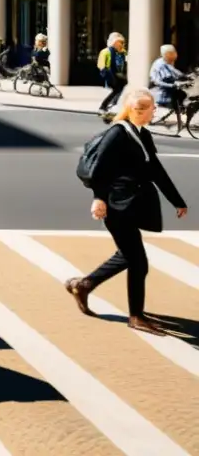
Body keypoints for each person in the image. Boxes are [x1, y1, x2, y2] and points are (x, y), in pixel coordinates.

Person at [65, 89, 188, 335]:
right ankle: (135, 316)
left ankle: (84, 285)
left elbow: (155, 169)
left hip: (131, 202)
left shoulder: (141, 133)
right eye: (151, 107)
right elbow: (97, 171)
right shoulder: (117, 134)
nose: (155, 111)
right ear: (137, 110)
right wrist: (98, 198)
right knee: (137, 261)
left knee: (128, 255)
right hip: (116, 204)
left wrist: (177, 200)